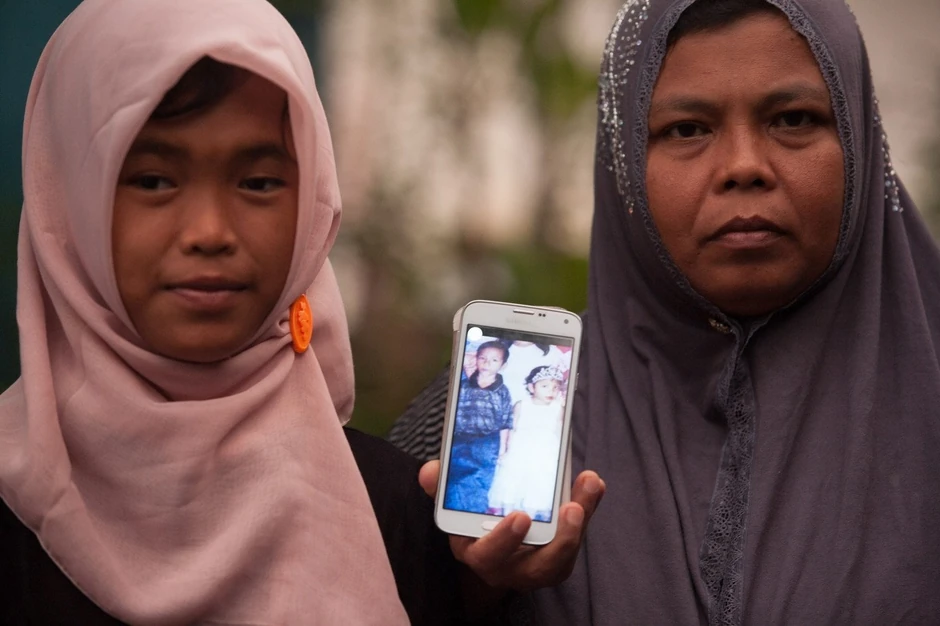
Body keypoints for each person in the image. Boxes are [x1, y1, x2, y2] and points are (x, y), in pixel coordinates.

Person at [0, 1, 606, 623]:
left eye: (259, 182)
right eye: (153, 180)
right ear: (67, 201)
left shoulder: (398, 514)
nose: (209, 232)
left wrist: (484, 588)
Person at [393, 0, 940, 623]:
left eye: (793, 119)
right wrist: (473, 588)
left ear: (859, 140)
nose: (743, 166)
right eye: (686, 130)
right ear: (625, 163)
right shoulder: (476, 420)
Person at [488, 366, 566, 521]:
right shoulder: (521, 405)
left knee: (539, 483)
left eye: (555, 387)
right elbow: (512, 429)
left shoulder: (558, 408)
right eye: (545, 386)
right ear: (531, 387)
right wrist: (505, 450)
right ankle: (507, 513)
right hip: (520, 451)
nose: (551, 391)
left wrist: (559, 454)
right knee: (512, 481)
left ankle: (531, 516)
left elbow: (559, 432)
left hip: (545, 452)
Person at [445, 341, 514, 514]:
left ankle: (475, 514)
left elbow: (505, 422)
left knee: (481, 479)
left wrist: (503, 449)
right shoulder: (463, 385)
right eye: (482, 358)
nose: (486, 363)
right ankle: (453, 513)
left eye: (494, 360)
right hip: (460, 438)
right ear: (476, 359)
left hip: (488, 442)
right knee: (454, 478)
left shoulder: (503, 391)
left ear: (503, 365)